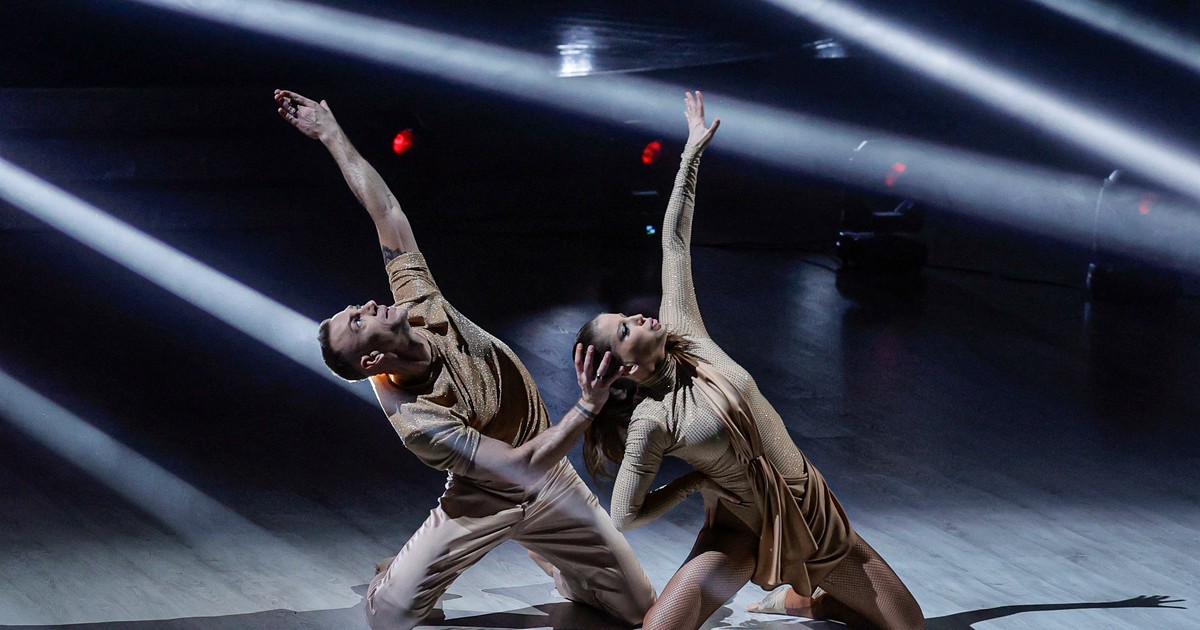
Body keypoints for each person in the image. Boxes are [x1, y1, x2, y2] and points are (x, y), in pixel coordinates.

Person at [274, 89, 655, 630]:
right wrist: (588, 406)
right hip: (485, 496)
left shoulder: (419, 303)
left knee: (639, 610)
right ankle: (393, 576)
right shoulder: (418, 420)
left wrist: (331, 134)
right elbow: (517, 467)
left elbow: (386, 211)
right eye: (357, 322)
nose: (366, 306)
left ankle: (554, 558)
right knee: (390, 617)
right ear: (373, 358)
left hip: (550, 483)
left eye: (355, 309)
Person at [574, 91, 925, 630]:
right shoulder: (650, 421)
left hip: (809, 509)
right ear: (624, 370)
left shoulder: (685, 331)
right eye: (625, 329)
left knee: (910, 624)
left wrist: (690, 153)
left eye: (628, 315)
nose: (640, 317)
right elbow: (624, 515)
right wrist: (693, 483)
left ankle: (806, 602)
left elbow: (674, 243)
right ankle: (577, 584)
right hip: (738, 530)